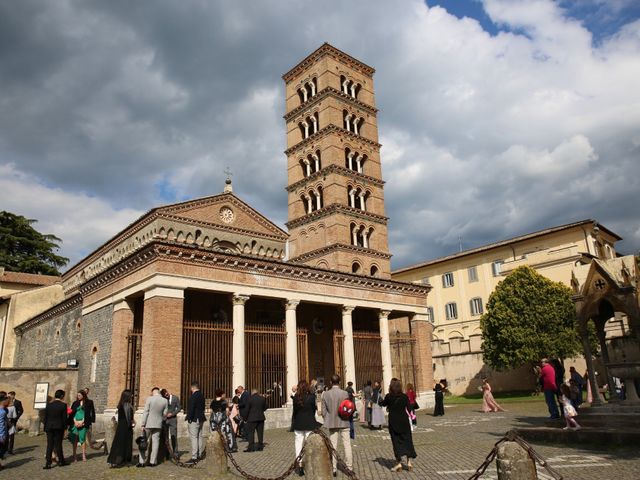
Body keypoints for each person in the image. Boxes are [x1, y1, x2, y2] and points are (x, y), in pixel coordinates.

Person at [380, 379, 416, 472]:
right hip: (404, 421)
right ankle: (409, 462)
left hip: (393, 422)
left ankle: (399, 463)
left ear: (391, 387)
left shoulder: (389, 396)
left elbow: (383, 404)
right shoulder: (404, 396)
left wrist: (379, 400)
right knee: (407, 440)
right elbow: (409, 408)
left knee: (396, 442)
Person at [321, 374, 353, 476]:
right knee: (347, 445)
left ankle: (334, 468)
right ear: (339, 382)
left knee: (333, 445)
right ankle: (349, 467)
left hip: (332, 422)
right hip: (344, 421)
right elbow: (349, 407)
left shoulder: (325, 394)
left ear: (330, 382)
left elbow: (323, 411)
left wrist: (328, 418)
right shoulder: (345, 393)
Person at [292, 379, 321, 476]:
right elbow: (313, 410)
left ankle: (299, 465)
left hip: (299, 423)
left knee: (298, 445)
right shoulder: (311, 397)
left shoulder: (296, 397)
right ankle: (309, 464)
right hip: (309, 423)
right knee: (309, 444)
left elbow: (295, 411)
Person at [138, 387, 168, 467]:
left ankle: (141, 461)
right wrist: (161, 419)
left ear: (153, 392)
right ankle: (153, 462)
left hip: (148, 423)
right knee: (155, 443)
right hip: (158, 424)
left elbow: (146, 412)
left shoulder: (149, 399)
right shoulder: (165, 400)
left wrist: (143, 424)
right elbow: (165, 414)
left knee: (143, 441)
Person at [108, 389, 135, 467]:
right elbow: (129, 418)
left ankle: (117, 460)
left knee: (119, 444)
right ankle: (125, 460)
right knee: (126, 444)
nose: (132, 396)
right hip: (126, 427)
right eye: (131, 395)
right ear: (127, 396)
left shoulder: (120, 405)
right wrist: (132, 423)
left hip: (121, 427)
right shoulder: (127, 406)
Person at [43, 389, 68, 469]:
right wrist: (65, 428)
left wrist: (45, 428)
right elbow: (64, 419)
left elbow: (45, 418)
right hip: (58, 427)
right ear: (62, 396)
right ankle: (61, 461)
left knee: (49, 445)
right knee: (58, 445)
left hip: (49, 427)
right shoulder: (63, 405)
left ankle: (48, 463)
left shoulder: (49, 405)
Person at [185, 381, 206, 463]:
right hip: (201, 418)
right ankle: (200, 454)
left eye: (191, 388)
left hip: (194, 418)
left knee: (194, 437)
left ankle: (194, 457)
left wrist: (189, 418)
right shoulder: (201, 395)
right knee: (199, 436)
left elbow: (191, 408)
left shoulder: (194, 396)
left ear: (193, 388)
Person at [68, 390, 89, 462]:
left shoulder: (87, 403)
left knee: (82, 439)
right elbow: (72, 413)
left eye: (79, 395)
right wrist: (75, 422)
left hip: (83, 423)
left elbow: (87, 414)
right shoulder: (75, 403)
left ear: (83, 395)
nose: (78, 396)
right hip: (75, 423)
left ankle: (83, 455)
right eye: (77, 395)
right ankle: (74, 455)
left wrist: (82, 422)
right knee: (75, 440)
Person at [161, 388, 180, 454]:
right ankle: (167, 453)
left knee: (173, 436)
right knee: (165, 437)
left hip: (173, 420)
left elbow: (179, 408)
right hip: (165, 420)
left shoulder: (175, 398)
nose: (166, 396)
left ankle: (175, 452)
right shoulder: (163, 399)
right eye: (164, 396)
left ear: (167, 392)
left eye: (166, 394)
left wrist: (172, 414)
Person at [0, 394, 9, 470]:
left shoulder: (3, 410)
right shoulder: (2, 412)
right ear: (3, 401)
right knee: (2, 449)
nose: (8, 402)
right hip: (1, 433)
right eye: (7, 401)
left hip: (2, 432)